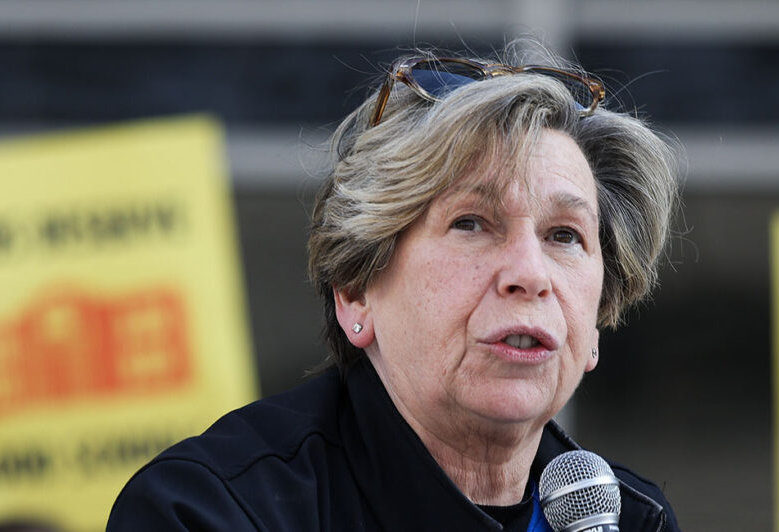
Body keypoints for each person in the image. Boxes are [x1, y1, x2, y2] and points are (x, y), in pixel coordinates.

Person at [108, 42, 681, 531]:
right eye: (472, 224)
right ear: (355, 290)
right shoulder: (213, 510)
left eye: (564, 235)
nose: (530, 275)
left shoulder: (632, 520)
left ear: (601, 314)